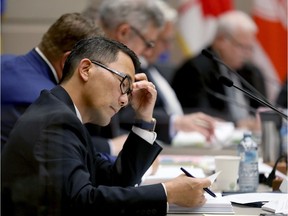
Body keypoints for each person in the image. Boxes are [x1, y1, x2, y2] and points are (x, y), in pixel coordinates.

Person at [1, 36, 211, 216]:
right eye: (123, 83)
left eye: (129, 91)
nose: (124, 100)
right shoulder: (54, 120)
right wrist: (168, 192)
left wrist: (144, 120)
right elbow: (82, 202)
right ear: (86, 69)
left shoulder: (63, 114)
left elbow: (117, 180)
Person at [85, 0, 216, 144]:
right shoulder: (91, 65)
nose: (148, 52)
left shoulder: (113, 65)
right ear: (124, 32)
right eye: (147, 44)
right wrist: (110, 148)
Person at [0, 13, 124, 155]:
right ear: (67, 62)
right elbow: (71, 159)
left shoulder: (4, 61)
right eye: (89, 68)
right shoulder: (47, 100)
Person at [171, 10, 267, 131]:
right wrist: (237, 124)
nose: (247, 54)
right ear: (221, 41)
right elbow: (199, 115)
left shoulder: (251, 72)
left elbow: (262, 110)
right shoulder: (195, 69)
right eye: (242, 47)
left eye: (250, 48)